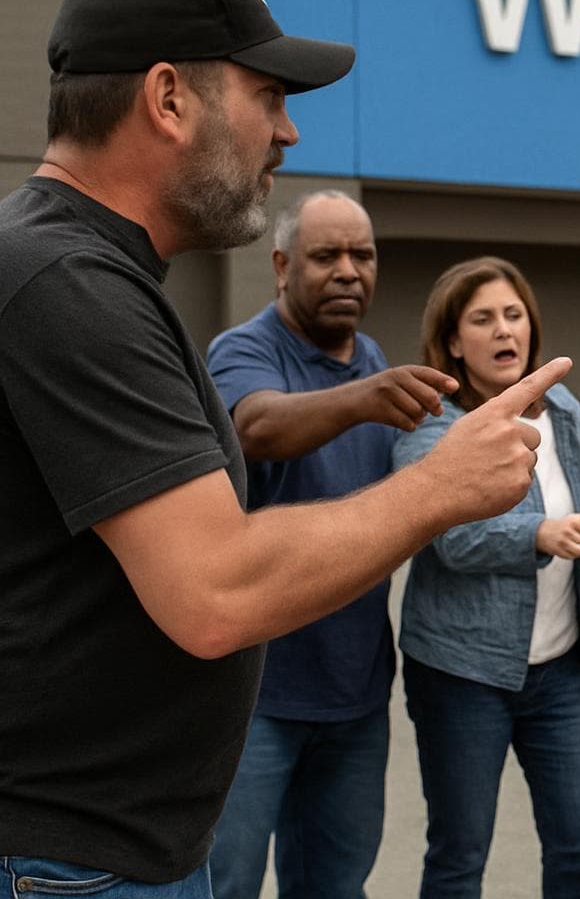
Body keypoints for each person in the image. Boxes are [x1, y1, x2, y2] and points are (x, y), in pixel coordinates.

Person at [0, 0, 568, 897]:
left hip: (72, 856)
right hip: (42, 865)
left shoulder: (81, 272)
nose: (288, 134)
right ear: (169, 99)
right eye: (268, 96)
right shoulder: (61, 282)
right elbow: (215, 590)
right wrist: (442, 486)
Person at [391, 256, 580, 899]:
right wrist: (532, 535)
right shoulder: (433, 429)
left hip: (560, 672)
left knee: (575, 849)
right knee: (459, 854)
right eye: (482, 319)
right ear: (453, 341)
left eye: (513, 315)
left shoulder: (560, 409)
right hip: (461, 676)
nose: (504, 330)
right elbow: (447, 536)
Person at [205, 191, 425, 898]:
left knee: (335, 886)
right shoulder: (244, 349)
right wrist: (363, 398)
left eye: (362, 256)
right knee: (226, 884)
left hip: (356, 694)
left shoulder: (375, 362)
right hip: (257, 698)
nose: (347, 272)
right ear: (280, 265)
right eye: (326, 256)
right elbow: (257, 426)